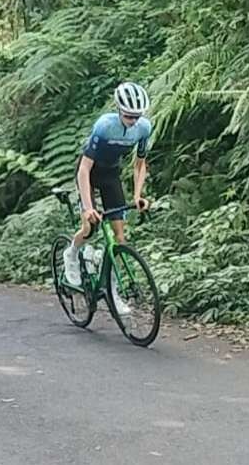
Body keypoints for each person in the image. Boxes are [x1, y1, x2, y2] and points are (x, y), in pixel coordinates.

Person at [62, 82, 153, 319]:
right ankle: (71, 253)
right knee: (90, 227)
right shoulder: (104, 126)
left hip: (111, 175)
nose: (133, 120)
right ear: (119, 109)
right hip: (89, 174)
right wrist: (89, 208)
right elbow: (84, 169)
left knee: (120, 240)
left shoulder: (143, 128)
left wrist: (137, 195)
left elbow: (140, 164)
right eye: (128, 115)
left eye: (137, 116)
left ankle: (113, 291)